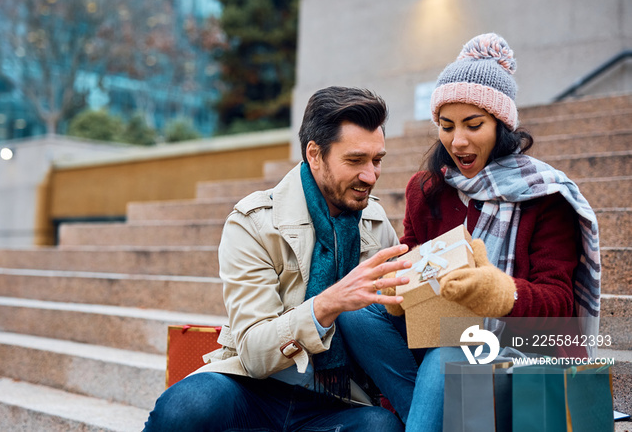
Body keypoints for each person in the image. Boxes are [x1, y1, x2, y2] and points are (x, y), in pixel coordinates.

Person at [336, 33, 601, 432]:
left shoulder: (543, 194)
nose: (457, 141)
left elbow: (562, 306)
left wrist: (499, 291)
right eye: (446, 125)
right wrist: (398, 285)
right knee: (357, 313)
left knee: (450, 352)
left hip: (519, 341)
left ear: (502, 125)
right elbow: (412, 253)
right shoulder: (426, 189)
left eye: (473, 124)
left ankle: (426, 419)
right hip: (441, 328)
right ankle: (427, 416)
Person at [143, 86, 415, 431]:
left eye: (377, 161)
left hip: (337, 402)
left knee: (380, 427)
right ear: (314, 154)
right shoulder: (254, 221)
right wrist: (327, 304)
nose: (371, 175)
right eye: (355, 160)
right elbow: (255, 353)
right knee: (185, 407)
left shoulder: (376, 223)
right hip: (252, 389)